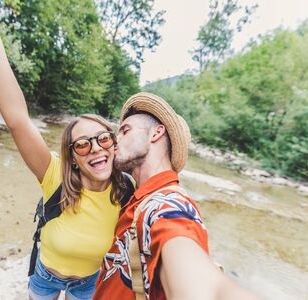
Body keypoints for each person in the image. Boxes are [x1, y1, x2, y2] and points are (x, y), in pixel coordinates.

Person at [0, 1, 132, 299]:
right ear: (73, 157)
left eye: (103, 139)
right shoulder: (54, 174)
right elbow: (17, 119)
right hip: (45, 277)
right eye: (82, 144)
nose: (95, 149)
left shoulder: (128, 188)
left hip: (90, 283)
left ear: (114, 145)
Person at [93, 92, 261, 300]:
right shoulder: (138, 198)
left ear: (156, 133)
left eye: (125, 131)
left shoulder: (168, 206)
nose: (114, 141)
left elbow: (203, 286)